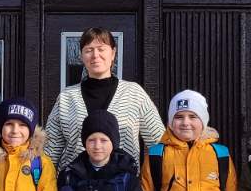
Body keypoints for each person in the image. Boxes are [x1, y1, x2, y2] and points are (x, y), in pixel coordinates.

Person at [43, 27, 163, 167]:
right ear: (81, 56)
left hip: (122, 185)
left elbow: (158, 142)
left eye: (101, 49)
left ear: (113, 53)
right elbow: (50, 152)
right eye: (89, 50)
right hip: (74, 185)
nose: (95, 55)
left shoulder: (134, 93)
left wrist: (150, 181)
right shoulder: (66, 98)